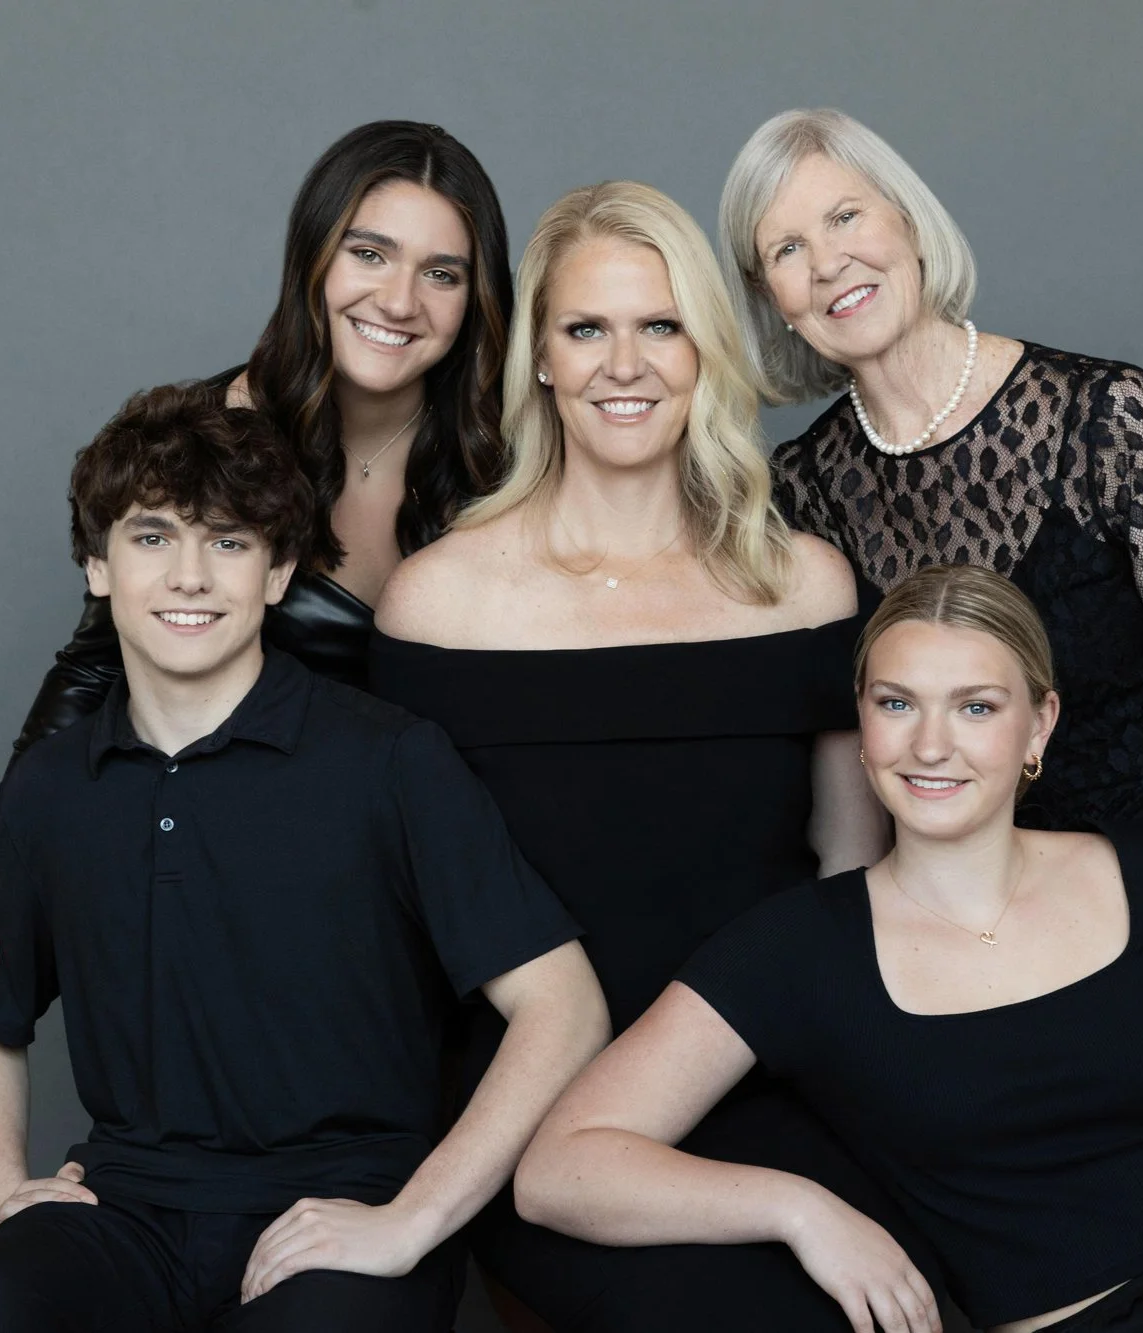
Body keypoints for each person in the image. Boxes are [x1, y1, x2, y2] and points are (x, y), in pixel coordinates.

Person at [517, 564, 1143, 1333]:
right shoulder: (796, 947)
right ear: (860, 728)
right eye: (895, 702)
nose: (929, 744)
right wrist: (798, 1209)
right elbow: (561, 1170)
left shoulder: (1140, 873)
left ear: (1038, 726)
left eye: (975, 706)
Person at [0, 384, 607, 1332]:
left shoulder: (390, 760)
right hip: (124, 1210)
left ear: (277, 574)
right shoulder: (53, 785)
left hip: (336, 1210)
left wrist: (412, 1220)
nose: (190, 576)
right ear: (97, 565)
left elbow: (565, 1005)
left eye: (227, 542)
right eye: (151, 537)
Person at [368, 180, 934, 1331]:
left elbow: (848, 876)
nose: (622, 364)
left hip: (770, 1081)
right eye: (586, 329)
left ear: (705, 353)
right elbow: (402, 918)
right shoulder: (438, 603)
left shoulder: (801, 584)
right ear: (538, 357)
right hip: (535, 1108)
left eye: (659, 326)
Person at [719, 107, 1143, 1117]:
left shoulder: (1101, 413)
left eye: (844, 218)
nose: (826, 263)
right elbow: (852, 759)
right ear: (772, 302)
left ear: (907, 225)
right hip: (979, 943)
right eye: (785, 249)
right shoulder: (807, 489)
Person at [0, 119, 515, 991]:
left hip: (460, 880)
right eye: (369, 254)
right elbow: (93, 667)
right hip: (255, 876)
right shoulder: (209, 435)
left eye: (442, 274)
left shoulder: (506, 465)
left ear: (475, 298)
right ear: (312, 256)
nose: (399, 301)